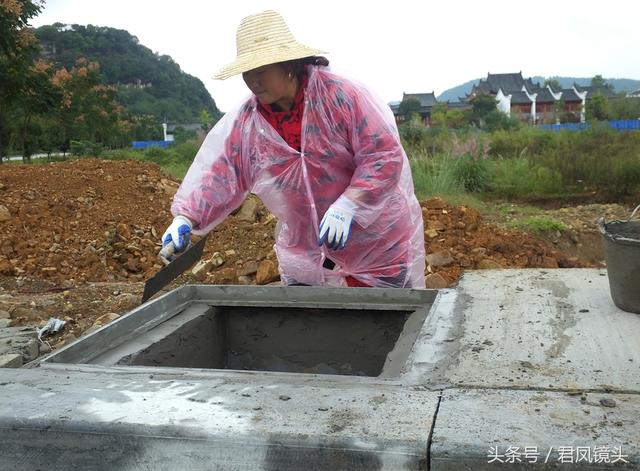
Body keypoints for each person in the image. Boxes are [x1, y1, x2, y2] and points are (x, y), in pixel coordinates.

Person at [161, 10, 425, 288]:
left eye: (260, 71)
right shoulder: (249, 122)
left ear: (287, 64)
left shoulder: (341, 97)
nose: (253, 81)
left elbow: (383, 155)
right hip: (306, 251)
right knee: (307, 326)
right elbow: (223, 173)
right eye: (246, 73)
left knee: (381, 324)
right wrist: (186, 217)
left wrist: (350, 205)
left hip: (374, 245)